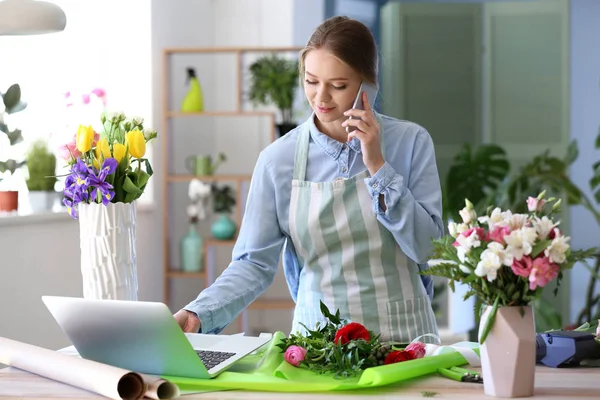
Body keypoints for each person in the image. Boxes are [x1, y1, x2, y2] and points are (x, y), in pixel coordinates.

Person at [174, 16, 444, 343]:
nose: (321, 98)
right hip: (318, 345)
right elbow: (252, 265)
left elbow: (428, 248)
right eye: (312, 81)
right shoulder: (277, 160)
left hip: (406, 340)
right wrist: (197, 313)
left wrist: (377, 164)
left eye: (339, 85)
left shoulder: (411, 143)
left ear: (368, 86)